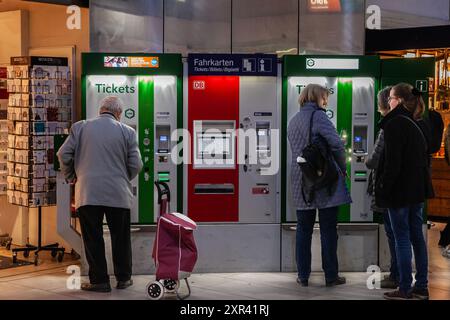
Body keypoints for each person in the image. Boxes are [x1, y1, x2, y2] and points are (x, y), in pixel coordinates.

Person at [57, 96, 143, 293]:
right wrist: (123, 177)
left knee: (92, 237)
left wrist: (72, 176)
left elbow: (63, 154)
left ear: (101, 110)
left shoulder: (80, 127)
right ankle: (123, 279)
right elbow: (136, 164)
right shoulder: (128, 132)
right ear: (118, 114)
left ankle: (99, 281)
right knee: (120, 238)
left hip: (88, 192)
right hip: (118, 194)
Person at [288, 84, 351, 287]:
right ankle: (331, 275)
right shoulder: (320, 117)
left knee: (303, 229)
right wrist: (342, 167)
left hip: (301, 178)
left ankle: (303, 275)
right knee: (328, 230)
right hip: (323, 179)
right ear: (317, 97)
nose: (326, 101)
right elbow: (336, 144)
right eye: (325, 97)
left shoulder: (294, 119)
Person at [376, 83, 433, 300]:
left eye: (390, 97)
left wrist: (382, 187)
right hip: (417, 191)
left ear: (398, 100)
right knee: (417, 237)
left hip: (399, 192)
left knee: (401, 238)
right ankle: (422, 286)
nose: (388, 101)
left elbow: (393, 164)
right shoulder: (416, 122)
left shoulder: (394, 124)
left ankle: (405, 288)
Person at [365, 86, 399, 289]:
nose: (378, 109)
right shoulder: (405, 123)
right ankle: (398, 275)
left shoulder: (388, 126)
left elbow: (374, 159)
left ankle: (396, 275)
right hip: (399, 190)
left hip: (387, 189)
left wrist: (366, 160)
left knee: (393, 234)